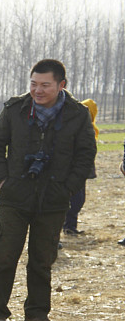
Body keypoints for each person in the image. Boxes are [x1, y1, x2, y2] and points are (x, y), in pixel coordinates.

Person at [0, 59, 96, 321]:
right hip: (15, 196)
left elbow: (85, 155)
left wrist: (68, 187)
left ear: (61, 85)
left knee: (42, 259)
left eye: (45, 85)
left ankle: (36, 314)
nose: (38, 90)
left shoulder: (77, 114)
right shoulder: (15, 108)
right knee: (3, 255)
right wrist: (3, 180)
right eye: (33, 84)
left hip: (54, 198)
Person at [62, 98, 98, 236]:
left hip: (81, 169)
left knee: (79, 200)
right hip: (73, 169)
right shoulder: (76, 126)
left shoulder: (91, 127)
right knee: (75, 200)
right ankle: (67, 226)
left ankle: (70, 226)